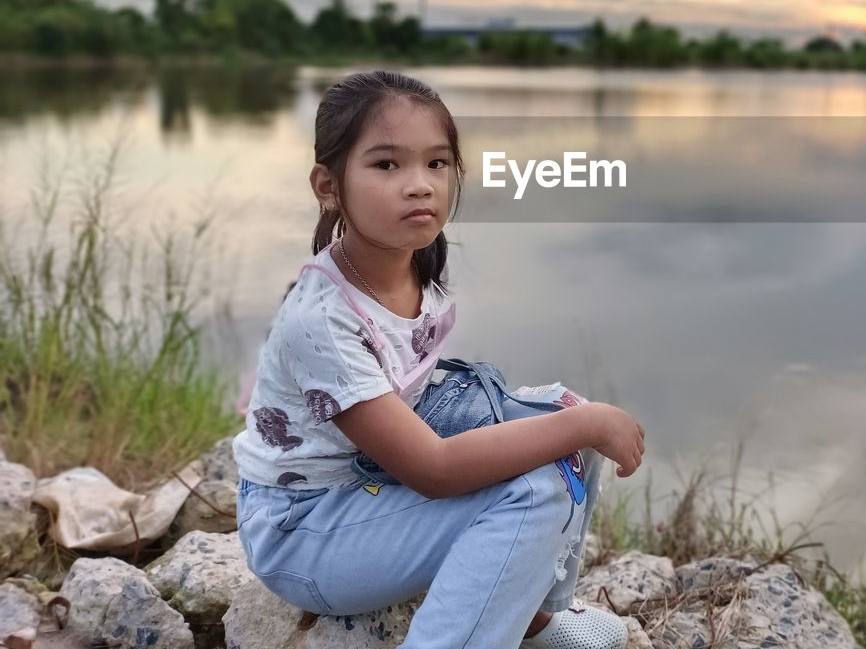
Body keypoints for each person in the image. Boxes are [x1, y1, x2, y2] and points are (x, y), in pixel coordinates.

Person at [231, 70, 646, 649]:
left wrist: (569, 420)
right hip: (306, 531)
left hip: (366, 479)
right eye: (387, 165)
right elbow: (432, 470)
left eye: (437, 164)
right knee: (543, 476)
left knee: (558, 414)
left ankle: (530, 618)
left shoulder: (413, 262)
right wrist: (586, 424)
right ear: (328, 185)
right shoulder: (321, 319)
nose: (419, 185)